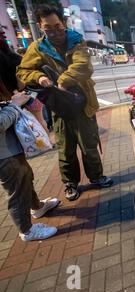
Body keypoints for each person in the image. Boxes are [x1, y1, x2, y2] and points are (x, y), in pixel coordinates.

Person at [17, 4, 113, 202]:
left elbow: (83, 67)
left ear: (64, 23)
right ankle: (70, 183)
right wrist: (39, 77)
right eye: (48, 29)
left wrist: (62, 80)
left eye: (58, 27)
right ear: (41, 27)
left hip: (83, 102)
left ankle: (96, 176)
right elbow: (23, 71)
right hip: (59, 107)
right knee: (65, 147)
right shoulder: (37, 47)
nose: (54, 32)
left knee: (89, 144)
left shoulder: (76, 40)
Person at [1, 90, 60, 241]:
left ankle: (37, 207)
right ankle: (26, 231)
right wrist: (14, 105)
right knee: (17, 190)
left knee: (24, 178)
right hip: (4, 154)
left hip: (9, 149)